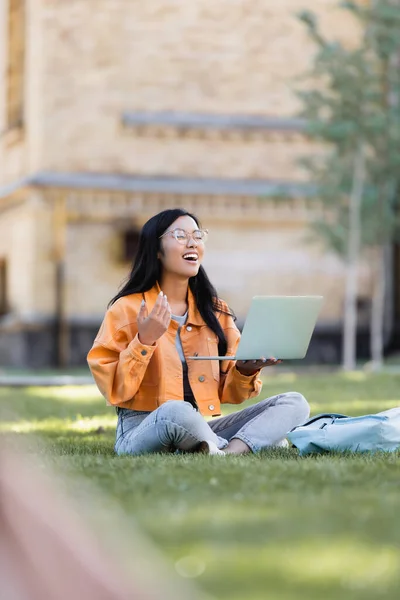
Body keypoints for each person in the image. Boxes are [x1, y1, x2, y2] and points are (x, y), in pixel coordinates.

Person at [87, 209, 310, 456]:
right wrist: (144, 340)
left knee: (295, 403)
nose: (192, 242)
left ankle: (227, 452)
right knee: (176, 411)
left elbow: (229, 393)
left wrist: (246, 371)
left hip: (198, 425)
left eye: (197, 235)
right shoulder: (126, 309)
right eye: (180, 235)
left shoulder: (215, 311)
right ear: (157, 250)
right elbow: (114, 389)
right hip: (143, 429)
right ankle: (248, 442)